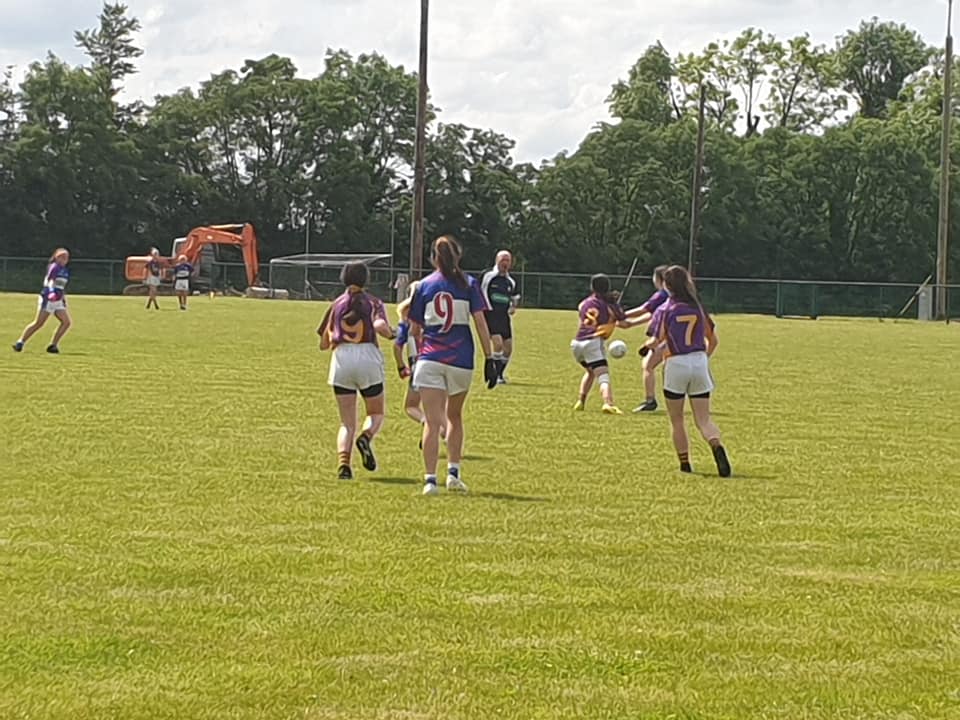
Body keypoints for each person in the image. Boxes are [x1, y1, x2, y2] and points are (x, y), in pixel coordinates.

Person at [408, 235, 498, 496]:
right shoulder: (469, 283)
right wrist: (490, 357)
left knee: (432, 421)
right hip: (461, 359)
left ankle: (429, 480)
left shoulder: (423, 285)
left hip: (430, 358)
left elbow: (414, 330)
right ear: (458, 256)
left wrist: (414, 358)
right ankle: (453, 474)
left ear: (433, 258)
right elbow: (480, 322)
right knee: (454, 417)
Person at [639, 265, 731, 477]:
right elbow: (713, 340)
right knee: (704, 419)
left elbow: (655, 340)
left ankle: (685, 464)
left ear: (667, 285)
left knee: (677, 419)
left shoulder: (665, 309)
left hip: (676, 364)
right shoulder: (698, 308)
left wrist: (645, 347)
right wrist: (703, 359)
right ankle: (716, 444)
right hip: (699, 362)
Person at [317, 262, 395, 480]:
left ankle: (344, 465)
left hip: (342, 359)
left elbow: (323, 343)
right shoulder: (373, 302)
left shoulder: (336, 304)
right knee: (375, 413)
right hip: (367, 356)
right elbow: (380, 326)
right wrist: (392, 334)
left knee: (346, 422)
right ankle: (366, 437)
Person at [571, 273, 631, 415]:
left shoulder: (584, 303)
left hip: (576, 343)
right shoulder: (611, 304)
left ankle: (580, 402)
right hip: (593, 342)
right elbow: (624, 323)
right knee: (603, 375)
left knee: (590, 372)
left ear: (592, 287)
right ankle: (608, 403)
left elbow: (583, 313)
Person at [624, 265, 670, 412]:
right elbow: (652, 315)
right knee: (667, 366)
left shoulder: (661, 295)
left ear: (659, 279)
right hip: (674, 337)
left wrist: (620, 315)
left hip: (663, 337)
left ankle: (651, 400)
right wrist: (631, 323)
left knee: (648, 366)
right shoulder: (676, 295)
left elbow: (644, 309)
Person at [12, 248, 73, 354]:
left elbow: (61, 286)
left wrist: (62, 297)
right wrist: (51, 292)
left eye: (66, 257)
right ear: (56, 257)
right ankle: (20, 342)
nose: (64, 259)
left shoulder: (65, 270)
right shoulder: (54, 267)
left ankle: (53, 345)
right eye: (62, 257)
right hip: (49, 298)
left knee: (66, 322)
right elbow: (49, 280)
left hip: (58, 300)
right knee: (39, 323)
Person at [480, 250, 520, 384]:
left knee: (508, 349)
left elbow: (515, 296)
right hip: (490, 315)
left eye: (508, 260)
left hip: (503, 317)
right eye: (503, 260)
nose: (505, 263)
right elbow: (480, 291)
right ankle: (495, 375)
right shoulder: (488, 276)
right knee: (497, 344)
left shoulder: (510, 281)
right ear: (497, 260)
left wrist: (513, 306)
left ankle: (499, 374)